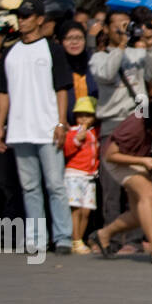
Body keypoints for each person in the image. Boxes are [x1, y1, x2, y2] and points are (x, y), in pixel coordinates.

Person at [0, 0, 74, 255]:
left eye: (27, 16)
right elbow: (3, 92)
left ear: (40, 19)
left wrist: (61, 122)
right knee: (29, 187)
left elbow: (62, 88)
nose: (22, 20)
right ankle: (36, 238)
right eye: (20, 16)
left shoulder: (53, 50)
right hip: (19, 129)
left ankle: (62, 237)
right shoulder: (10, 52)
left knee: (55, 185)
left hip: (48, 128)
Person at [87, 93, 152, 263]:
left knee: (140, 215)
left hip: (146, 159)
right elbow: (110, 155)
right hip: (122, 159)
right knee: (148, 195)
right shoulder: (136, 124)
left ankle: (103, 235)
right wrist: (141, 161)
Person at [90, 8, 152, 235]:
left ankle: (137, 237)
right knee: (112, 187)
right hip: (113, 121)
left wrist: (150, 44)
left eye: (127, 24)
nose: (124, 29)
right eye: (119, 25)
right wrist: (122, 45)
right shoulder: (98, 57)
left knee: (139, 183)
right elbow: (106, 74)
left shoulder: (138, 54)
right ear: (106, 28)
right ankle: (111, 237)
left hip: (138, 120)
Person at [62, 96, 99, 255]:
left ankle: (79, 239)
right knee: (75, 209)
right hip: (74, 175)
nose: (83, 118)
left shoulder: (96, 132)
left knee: (86, 211)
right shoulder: (72, 132)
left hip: (89, 177)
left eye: (88, 114)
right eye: (80, 114)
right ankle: (75, 240)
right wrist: (77, 140)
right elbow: (66, 150)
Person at [57, 20, 99, 117]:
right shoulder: (57, 66)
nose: (74, 42)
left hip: (96, 125)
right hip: (66, 127)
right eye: (69, 38)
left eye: (79, 38)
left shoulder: (94, 61)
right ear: (60, 41)